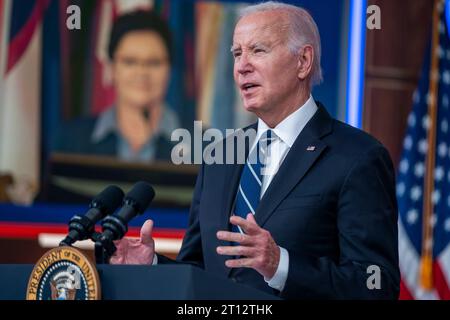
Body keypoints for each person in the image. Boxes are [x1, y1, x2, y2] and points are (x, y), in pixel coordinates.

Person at [110, 2, 400, 299]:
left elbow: (376, 286)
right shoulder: (219, 156)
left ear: (303, 61)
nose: (242, 66)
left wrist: (280, 265)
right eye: (237, 53)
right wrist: (151, 265)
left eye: (258, 50)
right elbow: (198, 272)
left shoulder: (357, 157)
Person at [54, 10, 179, 162]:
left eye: (154, 63)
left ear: (169, 70)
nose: (142, 72)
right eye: (130, 62)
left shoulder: (202, 145)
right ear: (112, 68)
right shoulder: (70, 141)